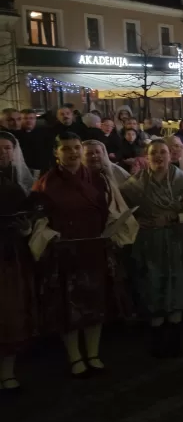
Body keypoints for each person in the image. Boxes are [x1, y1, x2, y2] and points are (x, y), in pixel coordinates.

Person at [33, 132, 136, 377]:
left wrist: (114, 228)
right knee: (68, 307)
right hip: (65, 252)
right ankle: (75, 356)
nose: (72, 153)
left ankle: (93, 353)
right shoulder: (46, 183)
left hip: (95, 248)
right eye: (66, 149)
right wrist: (49, 235)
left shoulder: (99, 178)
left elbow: (113, 209)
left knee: (96, 302)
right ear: (56, 153)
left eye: (76, 147)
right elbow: (38, 219)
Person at [120, 140, 183, 357]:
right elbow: (122, 211)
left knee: (177, 286)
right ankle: (157, 339)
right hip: (149, 245)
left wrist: (172, 217)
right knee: (152, 285)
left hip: (178, 242)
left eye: (163, 152)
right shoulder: (134, 184)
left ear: (171, 156)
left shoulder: (181, 180)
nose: (159, 156)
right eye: (154, 153)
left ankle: (175, 338)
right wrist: (138, 220)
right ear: (146, 157)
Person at [0, 132, 36, 391]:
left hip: (8, 256)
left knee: (9, 314)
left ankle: (7, 371)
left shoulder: (14, 183)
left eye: (7, 149)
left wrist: (25, 228)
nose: (3, 154)